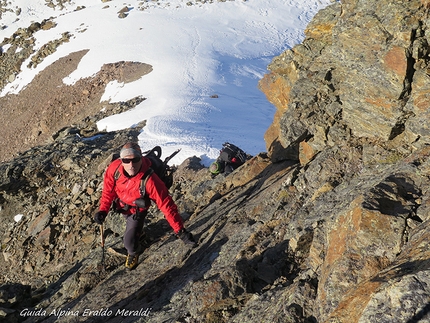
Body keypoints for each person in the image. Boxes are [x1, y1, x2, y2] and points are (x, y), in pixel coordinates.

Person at [93, 142, 196, 270]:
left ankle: (134, 251)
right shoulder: (114, 169)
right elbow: (108, 191)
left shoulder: (150, 180)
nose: (131, 165)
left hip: (137, 211)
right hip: (122, 206)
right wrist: (103, 210)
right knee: (132, 231)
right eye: (126, 160)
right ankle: (138, 234)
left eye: (135, 160)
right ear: (121, 160)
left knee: (129, 244)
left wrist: (180, 231)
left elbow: (166, 205)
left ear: (141, 159)